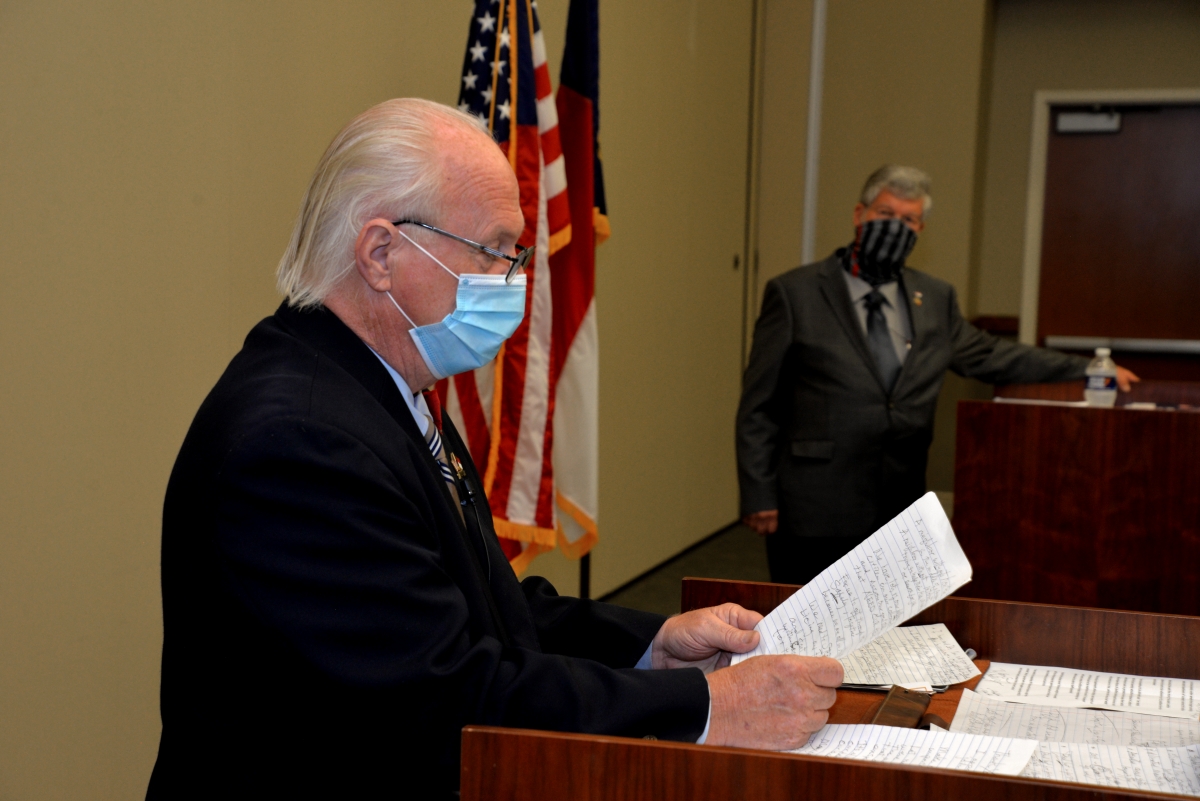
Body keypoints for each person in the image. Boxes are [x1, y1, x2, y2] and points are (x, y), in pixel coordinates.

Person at [146, 98, 842, 799]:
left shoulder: (386, 388)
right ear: (381, 254)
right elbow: (448, 693)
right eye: (495, 252)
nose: (515, 279)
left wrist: (655, 644)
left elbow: (483, 604)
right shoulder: (301, 442)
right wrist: (709, 706)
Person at [736, 165, 1138, 586]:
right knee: (806, 628)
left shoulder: (935, 299)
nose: (896, 227)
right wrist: (758, 493)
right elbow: (758, 403)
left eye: (908, 220)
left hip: (898, 504)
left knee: (885, 627)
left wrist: (1086, 368)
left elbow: (991, 354)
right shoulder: (795, 293)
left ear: (921, 229)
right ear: (859, 214)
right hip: (814, 505)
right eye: (885, 214)